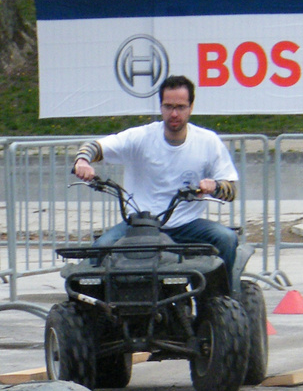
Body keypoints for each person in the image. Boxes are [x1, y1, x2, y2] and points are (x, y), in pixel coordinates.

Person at [71, 74, 240, 279]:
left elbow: (231, 190)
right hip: (140, 224)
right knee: (100, 248)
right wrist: (82, 161)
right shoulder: (141, 137)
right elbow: (96, 147)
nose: (174, 113)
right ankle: (96, 307)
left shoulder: (208, 141)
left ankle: (223, 300)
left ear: (191, 107)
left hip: (186, 224)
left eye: (180, 107)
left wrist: (215, 186)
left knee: (227, 238)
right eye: (168, 106)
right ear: (161, 107)